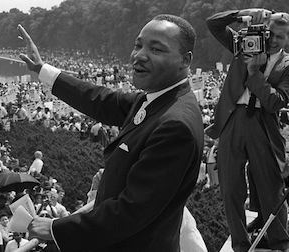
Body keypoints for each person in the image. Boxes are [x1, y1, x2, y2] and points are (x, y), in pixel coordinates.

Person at [17, 13, 204, 251]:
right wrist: (42, 70)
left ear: (185, 61)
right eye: (138, 45)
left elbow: (131, 210)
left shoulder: (175, 124)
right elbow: (100, 100)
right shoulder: (157, 98)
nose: (140, 55)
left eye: (156, 49)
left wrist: (56, 229)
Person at [205, 8, 289, 252]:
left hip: (263, 123)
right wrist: (242, 13)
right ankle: (239, 242)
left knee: (272, 187)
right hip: (232, 120)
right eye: (269, 33)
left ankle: (280, 242)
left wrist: (253, 73)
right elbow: (214, 24)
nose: (272, 40)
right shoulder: (244, 45)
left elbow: (275, 102)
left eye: (280, 36)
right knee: (230, 188)